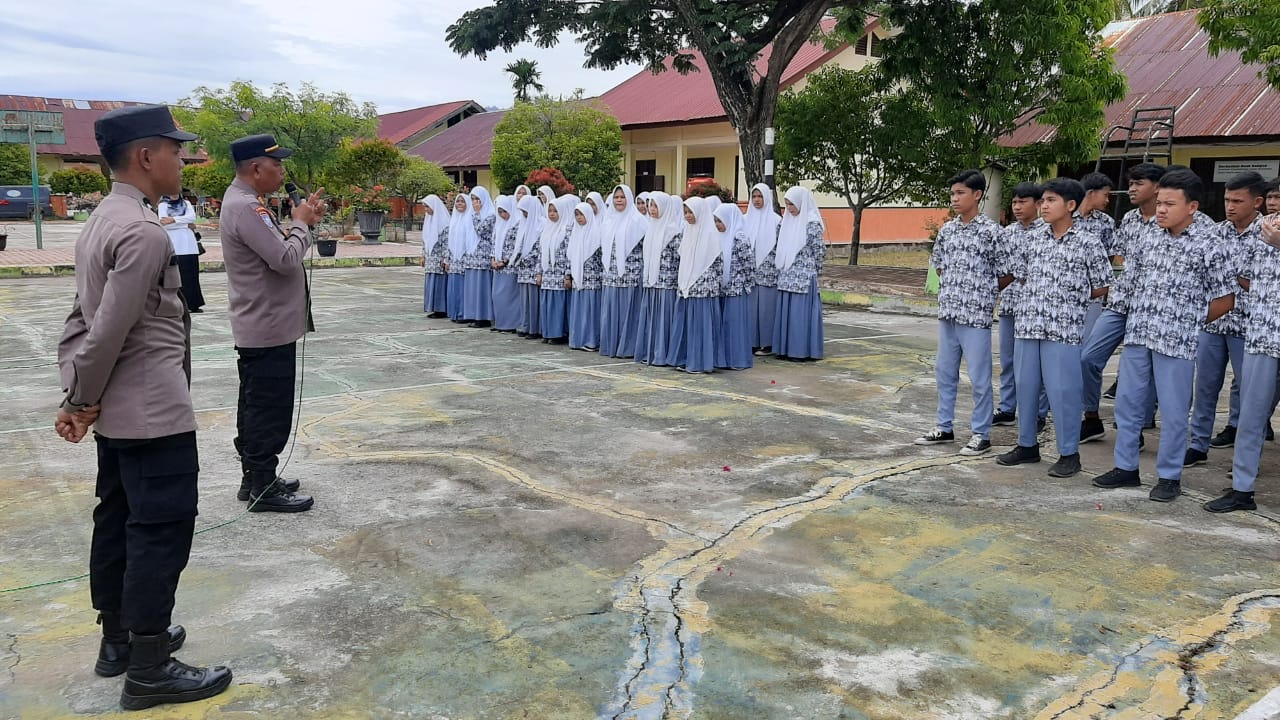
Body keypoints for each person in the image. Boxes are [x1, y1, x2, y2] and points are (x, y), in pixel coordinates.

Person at [56, 104, 232, 710]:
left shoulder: (103, 222)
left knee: (119, 519)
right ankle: (151, 666)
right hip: (152, 412)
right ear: (146, 156)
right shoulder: (141, 232)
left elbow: (81, 322)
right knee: (158, 532)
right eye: (176, 150)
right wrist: (80, 398)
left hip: (118, 413)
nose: (183, 160)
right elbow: (105, 328)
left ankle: (119, 641)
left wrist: (80, 396)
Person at [1093, 169, 1238, 502]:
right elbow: (1128, 283)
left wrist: (1188, 323)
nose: (1160, 210)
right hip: (1139, 333)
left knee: (1173, 411)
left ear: (1192, 207)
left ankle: (1169, 476)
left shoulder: (1210, 241)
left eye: (1169, 204)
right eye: (1159, 202)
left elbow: (1225, 299)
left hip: (1175, 342)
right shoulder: (1149, 235)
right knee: (1128, 405)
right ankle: (1125, 467)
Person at [221, 134, 325, 512]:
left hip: (264, 323)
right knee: (268, 407)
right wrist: (300, 224)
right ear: (255, 168)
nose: (282, 171)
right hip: (267, 326)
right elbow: (284, 259)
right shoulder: (248, 208)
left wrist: (304, 223)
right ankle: (263, 484)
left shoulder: (246, 205)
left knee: (255, 403)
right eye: (276, 165)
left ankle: (256, 476)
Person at [995, 178, 1111, 477]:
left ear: (1070, 205)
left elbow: (1101, 286)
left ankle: (1069, 453)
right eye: (1043, 200)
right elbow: (1020, 276)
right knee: (1026, 387)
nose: (1043, 206)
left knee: (1063, 392)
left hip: (1063, 330)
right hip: (1028, 325)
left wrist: (1070, 300)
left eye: (1051, 201)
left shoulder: (1088, 242)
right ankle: (1027, 445)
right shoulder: (1032, 239)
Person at [915, 170, 1007, 455]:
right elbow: (939, 265)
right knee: (945, 373)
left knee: (979, 379)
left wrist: (981, 291)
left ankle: (981, 434)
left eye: (960, 193)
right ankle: (944, 426)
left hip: (976, 317)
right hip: (949, 313)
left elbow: (1006, 273)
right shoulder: (948, 230)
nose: (954, 199)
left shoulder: (992, 232)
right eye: (953, 193)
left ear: (976, 195)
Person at [1079, 163, 1166, 442]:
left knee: (1143, 368)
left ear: (1157, 187)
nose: (1131, 188)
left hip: (1151, 306)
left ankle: (1137, 425)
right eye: (1131, 183)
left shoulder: (1170, 220)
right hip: (1120, 302)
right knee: (1088, 358)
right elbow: (1120, 256)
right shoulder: (1129, 219)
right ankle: (1091, 417)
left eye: (1138, 183)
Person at [1186, 172, 1268, 465]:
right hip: (1215, 321)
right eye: (1226, 200)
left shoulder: (1270, 232)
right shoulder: (1216, 232)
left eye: (1237, 200)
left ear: (1257, 202)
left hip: (1251, 327)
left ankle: (1247, 459)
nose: (1230, 206)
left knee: (1252, 395)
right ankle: (1197, 445)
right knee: (1205, 386)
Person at [1207, 207, 1280, 512]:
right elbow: (1244, 277)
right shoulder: (1263, 228)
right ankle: (1242, 490)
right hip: (1263, 337)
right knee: (1251, 417)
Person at [992, 182, 1048, 431]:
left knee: (1036, 365)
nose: (1017, 207)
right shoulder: (1007, 233)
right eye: (1014, 202)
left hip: (1037, 310)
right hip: (1011, 306)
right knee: (1008, 360)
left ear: (1037, 204)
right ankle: (1007, 407)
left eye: (1022, 202)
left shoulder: (1047, 232)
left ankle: (1037, 412)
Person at [668, 196, 723, 373]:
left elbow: (718, 264)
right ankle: (685, 358)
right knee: (687, 325)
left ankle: (700, 361)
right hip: (687, 286)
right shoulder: (688, 232)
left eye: (691, 211)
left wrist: (707, 282)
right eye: (685, 212)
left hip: (703, 289)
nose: (688, 215)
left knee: (700, 326)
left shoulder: (710, 234)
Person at [773, 186, 827, 363]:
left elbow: (818, 250)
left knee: (799, 315)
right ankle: (785, 349)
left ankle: (801, 350)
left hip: (804, 276)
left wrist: (815, 271)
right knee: (788, 314)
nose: (789, 208)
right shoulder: (785, 221)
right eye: (787, 204)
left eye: (792, 204)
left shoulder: (811, 223)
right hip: (786, 275)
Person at [634, 192, 683, 366]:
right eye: (650, 206)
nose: (652, 210)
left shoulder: (673, 231)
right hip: (651, 282)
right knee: (652, 318)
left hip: (666, 284)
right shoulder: (651, 228)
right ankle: (651, 352)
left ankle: (663, 354)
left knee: (664, 319)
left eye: (656, 206)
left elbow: (680, 258)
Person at [600, 185, 647, 358]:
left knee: (628, 312)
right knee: (612, 311)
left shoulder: (639, 221)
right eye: (616, 197)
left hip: (631, 275)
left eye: (622, 197)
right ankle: (611, 345)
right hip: (611, 275)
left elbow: (644, 249)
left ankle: (628, 347)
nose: (619, 200)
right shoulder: (608, 220)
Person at [714, 202, 755, 370]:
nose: (717, 225)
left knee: (734, 325)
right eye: (715, 221)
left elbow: (749, 264)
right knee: (723, 325)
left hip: (736, 289)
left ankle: (737, 359)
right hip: (721, 289)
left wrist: (748, 284)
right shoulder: (718, 237)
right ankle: (723, 359)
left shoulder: (739, 237)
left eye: (720, 221)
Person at [744, 184, 781, 356]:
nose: (757, 200)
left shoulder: (776, 221)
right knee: (751, 310)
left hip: (768, 273)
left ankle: (767, 343)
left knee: (767, 309)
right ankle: (752, 342)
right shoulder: (746, 219)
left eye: (760, 196)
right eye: (754, 197)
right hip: (750, 273)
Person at [539, 195, 579, 344]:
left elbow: (570, 254)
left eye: (555, 211)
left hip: (560, 276)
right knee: (547, 305)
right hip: (547, 275)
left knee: (558, 307)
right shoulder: (547, 230)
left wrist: (568, 275)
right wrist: (539, 273)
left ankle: (559, 334)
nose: (552, 214)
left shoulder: (566, 230)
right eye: (550, 210)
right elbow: (540, 253)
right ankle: (548, 332)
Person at [157, 194, 204, 313]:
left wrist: (174, 219)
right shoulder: (163, 205)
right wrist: (184, 223)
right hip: (176, 244)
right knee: (179, 275)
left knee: (192, 275)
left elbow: (192, 218)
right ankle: (181, 304)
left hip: (189, 244)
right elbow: (164, 223)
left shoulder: (186, 203)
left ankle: (193, 303)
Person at [567, 202, 605, 351]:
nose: (579, 218)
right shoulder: (576, 233)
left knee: (590, 312)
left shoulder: (596, 233)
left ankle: (591, 341)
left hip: (593, 281)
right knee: (579, 311)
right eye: (576, 215)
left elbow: (602, 258)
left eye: (581, 214)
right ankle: (578, 339)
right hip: (578, 280)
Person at [463, 187, 497, 328]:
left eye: (478, 199)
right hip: (472, 257)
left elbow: (481, 230)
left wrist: (477, 214)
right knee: (472, 288)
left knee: (481, 288)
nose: (475, 203)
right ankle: (473, 315)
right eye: (473, 199)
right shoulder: (470, 214)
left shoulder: (490, 215)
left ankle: (483, 317)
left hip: (483, 257)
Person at [490, 195, 524, 332]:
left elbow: (516, 247)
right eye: (499, 212)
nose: (502, 215)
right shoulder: (499, 225)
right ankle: (500, 323)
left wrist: (504, 262)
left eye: (504, 211)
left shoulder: (516, 224)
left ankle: (511, 324)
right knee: (497, 296)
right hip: (497, 268)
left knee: (508, 297)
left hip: (509, 267)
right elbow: (494, 244)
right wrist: (493, 260)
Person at [514, 194, 545, 339]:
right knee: (524, 300)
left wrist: (526, 258)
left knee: (534, 300)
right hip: (523, 268)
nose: (524, 214)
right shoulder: (524, 223)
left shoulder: (541, 224)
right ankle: (525, 325)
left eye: (525, 210)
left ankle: (535, 329)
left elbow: (540, 247)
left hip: (534, 268)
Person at [445, 193, 474, 322]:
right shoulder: (453, 220)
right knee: (454, 287)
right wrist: (447, 260)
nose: (460, 204)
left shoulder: (470, 219)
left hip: (465, 259)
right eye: (458, 201)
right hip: (454, 260)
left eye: (463, 201)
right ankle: (455, 313)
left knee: (464, 288)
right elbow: (449, 241)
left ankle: (464, 314)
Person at [421, 195, 450, 318]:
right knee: (431, 283)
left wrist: (445, 258)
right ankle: (432, 307)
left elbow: (446, 243)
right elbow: (425, 240)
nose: (426, 209)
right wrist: (423, 255)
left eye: (427, 206)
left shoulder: (444, 223)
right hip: (430, 259)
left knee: (439, 284)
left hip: (439, 260)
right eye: (425, 207)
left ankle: (441, 309)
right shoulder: (428, 220)